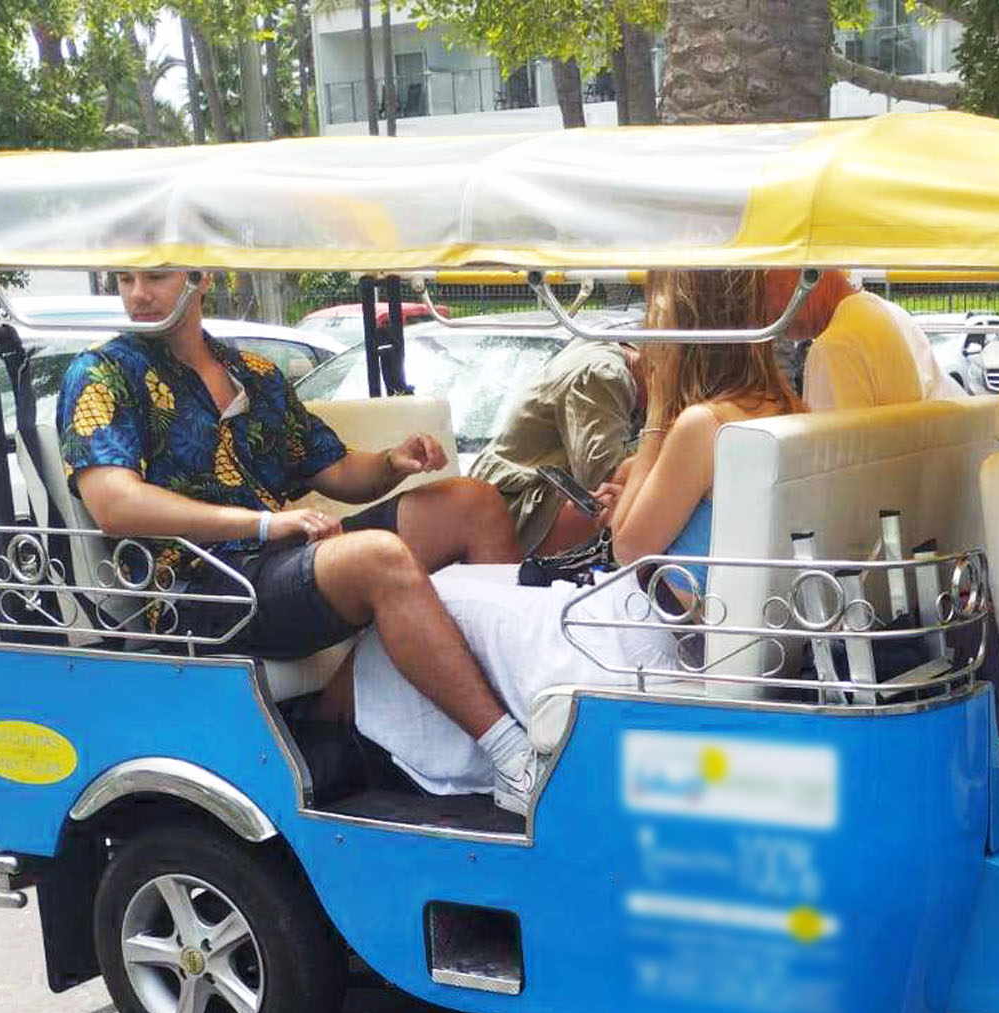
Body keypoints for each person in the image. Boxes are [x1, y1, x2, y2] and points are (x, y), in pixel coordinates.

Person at [56, 267, 541, 814]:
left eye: (157, 277)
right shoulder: (101, 373)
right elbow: (113, 504)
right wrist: (262, 524)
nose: (138, 295)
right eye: (125, 280)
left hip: (276, 563)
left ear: (200, 276)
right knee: (378, 558)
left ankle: (522, 714)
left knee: (473, 504)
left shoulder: (253, 372)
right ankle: (513, 757)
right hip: (201, 590)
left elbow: (334, 469)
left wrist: (391, 462)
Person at [347, 269, 804, 801]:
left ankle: (472, 765)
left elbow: (629, 545)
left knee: (428, 596)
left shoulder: (699, 423)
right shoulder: (787, 404)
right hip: (690, 626)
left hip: (644, 636)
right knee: (463, 584)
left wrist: (658, 414)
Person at [468, 338, 643, 555]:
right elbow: (606, 475)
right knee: (620, 502)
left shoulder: (604, 348)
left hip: (507, 494)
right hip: (510, 507)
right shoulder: (604, 373)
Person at [759, 269, 956, 411]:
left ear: (809, 276)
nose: (768, 315)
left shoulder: (834, 346)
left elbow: (831, 456)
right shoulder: (894, 313)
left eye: (766, 290)